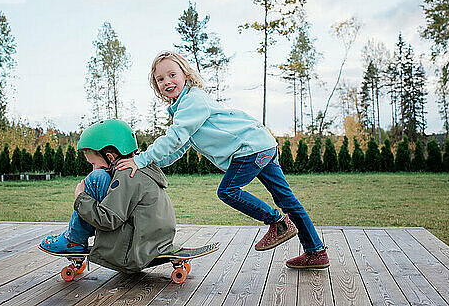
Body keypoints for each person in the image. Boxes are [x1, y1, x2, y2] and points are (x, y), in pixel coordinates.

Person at [116, 51, 329, 269]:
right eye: (160, 79)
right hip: (262, 145)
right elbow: (178, 148)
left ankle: (278, 222)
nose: (167, 82)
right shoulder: (185, 107)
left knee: (227, 191)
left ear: (186, 75)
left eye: (172, 74)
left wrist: (141, 160)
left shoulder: (192, 101)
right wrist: (148, 163)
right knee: (287, 200)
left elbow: (175, 137)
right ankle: (316, 251)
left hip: (249, 149)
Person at [40, 119, 179, 273]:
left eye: (94, 164)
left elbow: (109, 219)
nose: (93, 169)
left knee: (96, 179)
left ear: (110, 157)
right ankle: (74, 238)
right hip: (154, 241)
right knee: (99, 177)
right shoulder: (140, 166)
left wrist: (80, 197)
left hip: (135, 250)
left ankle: (73, 241)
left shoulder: (126, 175)